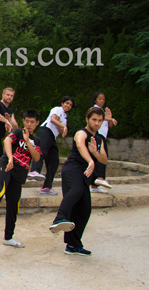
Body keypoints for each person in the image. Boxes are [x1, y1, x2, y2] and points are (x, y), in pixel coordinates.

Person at [0, 110, 42, 248]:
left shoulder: (36, 140)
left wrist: (28, 141)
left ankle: (8, 237)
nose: (29, 124)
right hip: (5, 167)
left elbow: (36, 157)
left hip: (19, 175)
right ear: (23, 121)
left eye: (32, 122)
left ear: (37, 123)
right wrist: (11, 158)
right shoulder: (17, 132)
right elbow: (7, 141)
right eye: (27, 121)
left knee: (13, 205)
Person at [49, 107, 107, 256]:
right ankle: (59, 218)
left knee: (84, 209)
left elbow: (104, 159)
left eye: (100, 120)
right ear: (87, 119)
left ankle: (73, 245)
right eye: (94, 119)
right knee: (76, 191)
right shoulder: (81, 133)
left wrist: (95, 153)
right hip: (73, 169)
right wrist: (90, 160)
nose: (97, 123)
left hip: (85, 173)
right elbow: (81, 145)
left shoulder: (100, 139)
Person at [28, 96, 75, 195]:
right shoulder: (57, 109)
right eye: (67, 103)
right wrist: (61, 125)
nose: (68, 106)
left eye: (70, 105)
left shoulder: (64, 117)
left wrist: (61, 125)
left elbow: (63, 134)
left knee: (54, 161)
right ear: (62, 103)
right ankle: (34, 171)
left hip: (52, 136)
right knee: (42, 150)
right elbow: (53, 120)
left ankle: (47, 187)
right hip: (45, 131)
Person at [90, 92, 117, 193]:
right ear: (95, 100)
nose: (102, 101)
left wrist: (109, 117)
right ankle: (100, 178)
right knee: (102, 156)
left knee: (97, 157)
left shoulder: (102, 111)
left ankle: (94, 186)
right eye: (100, 99)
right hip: (97, 135)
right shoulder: (94, 109)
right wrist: (109, 118)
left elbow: (109, 125)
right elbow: (99, 118)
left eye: (103, 99)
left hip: (102, 137)